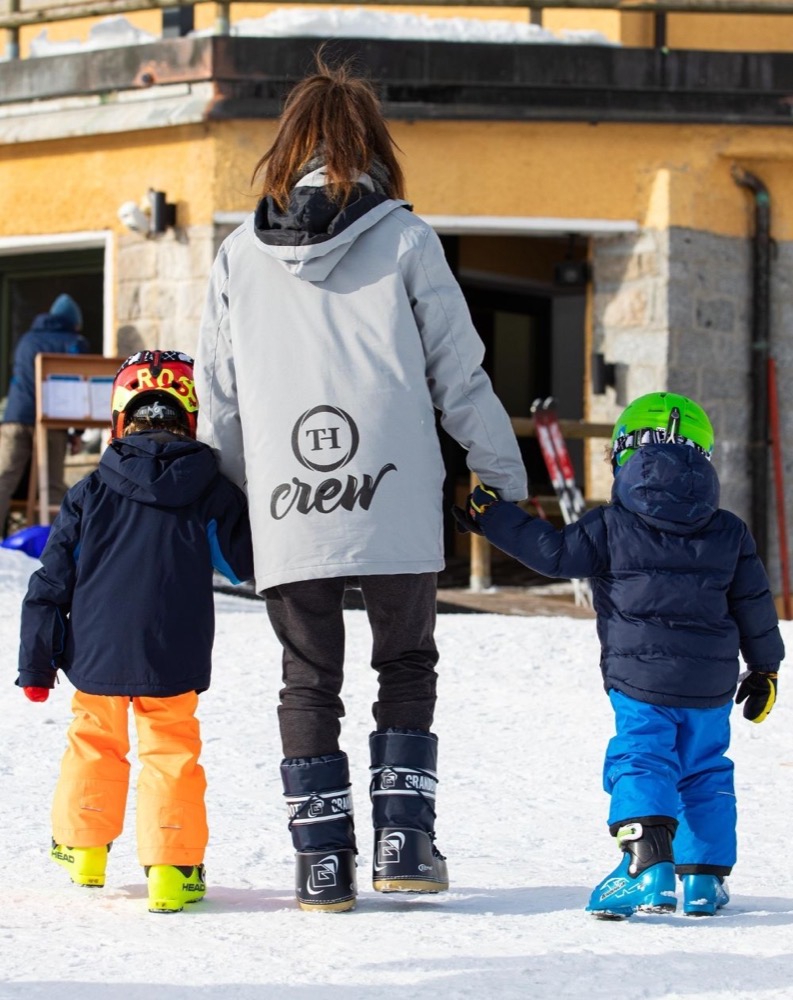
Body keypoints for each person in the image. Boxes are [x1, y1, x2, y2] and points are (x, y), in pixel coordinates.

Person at [195, 54, 528, 912]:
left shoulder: (238, 255)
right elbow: (461, 373)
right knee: (406, 661)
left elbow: (219, 398)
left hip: (286, 502)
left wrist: (231, 511)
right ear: (372, 147)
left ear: (286, 149)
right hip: (394, 494)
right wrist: (499, 476)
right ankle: (403, 842)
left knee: (307, 677)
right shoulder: (407, 238)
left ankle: (320, 862)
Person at [456, 391, 784, 919]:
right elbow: (753, 605)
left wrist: (492, 517)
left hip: (639, 681)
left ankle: (645, 864)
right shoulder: (729, 530)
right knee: (704, 769)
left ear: (626, 451)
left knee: (643, 757)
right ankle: (701, 881)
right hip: (710, 687)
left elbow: (552, 553)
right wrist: (766, 668)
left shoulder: (610, 523)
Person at [16, 350, 253, 914]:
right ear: (190, 415)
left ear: (122, 416)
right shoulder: (210, 490)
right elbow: (237, 564)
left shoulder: (89, 491)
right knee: (170, 749)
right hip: (173, 649)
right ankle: (172, 870)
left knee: (95, 740)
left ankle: (84, 850)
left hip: (94, 649)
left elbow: (52, 580)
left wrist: (37, 662)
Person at [0, 294, 89, 537]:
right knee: (52, 485)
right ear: (74, 322)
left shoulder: (27, 339)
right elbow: (78, 390)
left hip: (15, 417)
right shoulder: (74, 342)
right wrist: (77, 432)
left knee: (3, 478)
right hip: (52, 421)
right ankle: (55, 539)